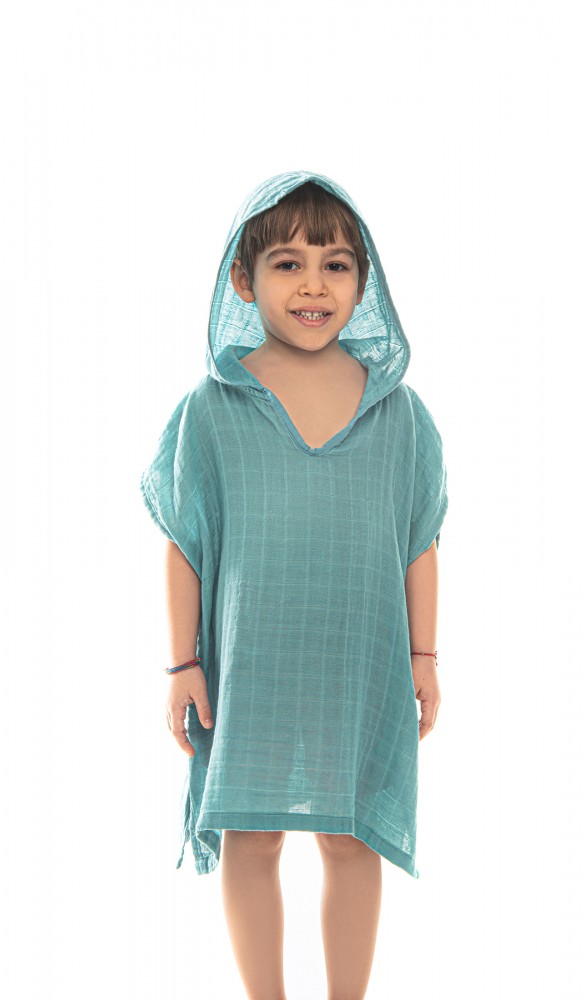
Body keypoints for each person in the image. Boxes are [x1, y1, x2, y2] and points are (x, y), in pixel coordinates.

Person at [139, 170, 449, 1000]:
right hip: (252, 668)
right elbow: (185, 544)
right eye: (288, 264)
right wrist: (182, 665)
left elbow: (419, 541)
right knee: (253, 832)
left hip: (358, 664)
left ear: (363, 280)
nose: (313, 284)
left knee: (351, 836)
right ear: (244, 281)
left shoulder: (399, 413)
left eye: (335, 265)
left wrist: (424, 656)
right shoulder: (213, 410)